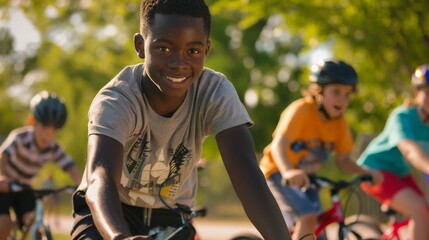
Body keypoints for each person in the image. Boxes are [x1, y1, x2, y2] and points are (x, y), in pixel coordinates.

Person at [70, 0, 291, 239]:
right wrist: (118, 236)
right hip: (109, 210)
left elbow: (247, 173)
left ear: (206, 51)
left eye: (193, 51)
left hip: (171, 213)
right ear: (140, 45)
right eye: (164, 49)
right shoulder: (117, 100)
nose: (179, 63)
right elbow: (99, 177)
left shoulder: (214, 92)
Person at [259, 60, 381, 240]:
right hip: (277, 173)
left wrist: (365, 171)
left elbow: (343, 161)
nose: (342, 99)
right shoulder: (301, 110)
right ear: (319, 91)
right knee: (308, 217)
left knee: (318, 231)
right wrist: (288, 170)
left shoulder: (340, 123)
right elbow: (278, 145)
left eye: (347, 94)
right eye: (336, 92)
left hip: (306, 179)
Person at [357, 64, 429, 240]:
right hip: (374, 170)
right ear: (416, 92)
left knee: (424, 213)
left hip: (400, 173)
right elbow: (409, 150)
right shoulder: (402, 116)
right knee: (420, 209)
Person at [0, 91, 82, 239]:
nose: (48, 136)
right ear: (32, 121)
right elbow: (3, 157)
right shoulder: (20, 137)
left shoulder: (53, 148)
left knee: (30, 217)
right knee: (3, 225)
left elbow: (71, 166)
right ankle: (8, 227)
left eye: (53, 131)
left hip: (24, 188)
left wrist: (81, 185)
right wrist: (2, 176)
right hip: (5, 186)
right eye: (44, 128)